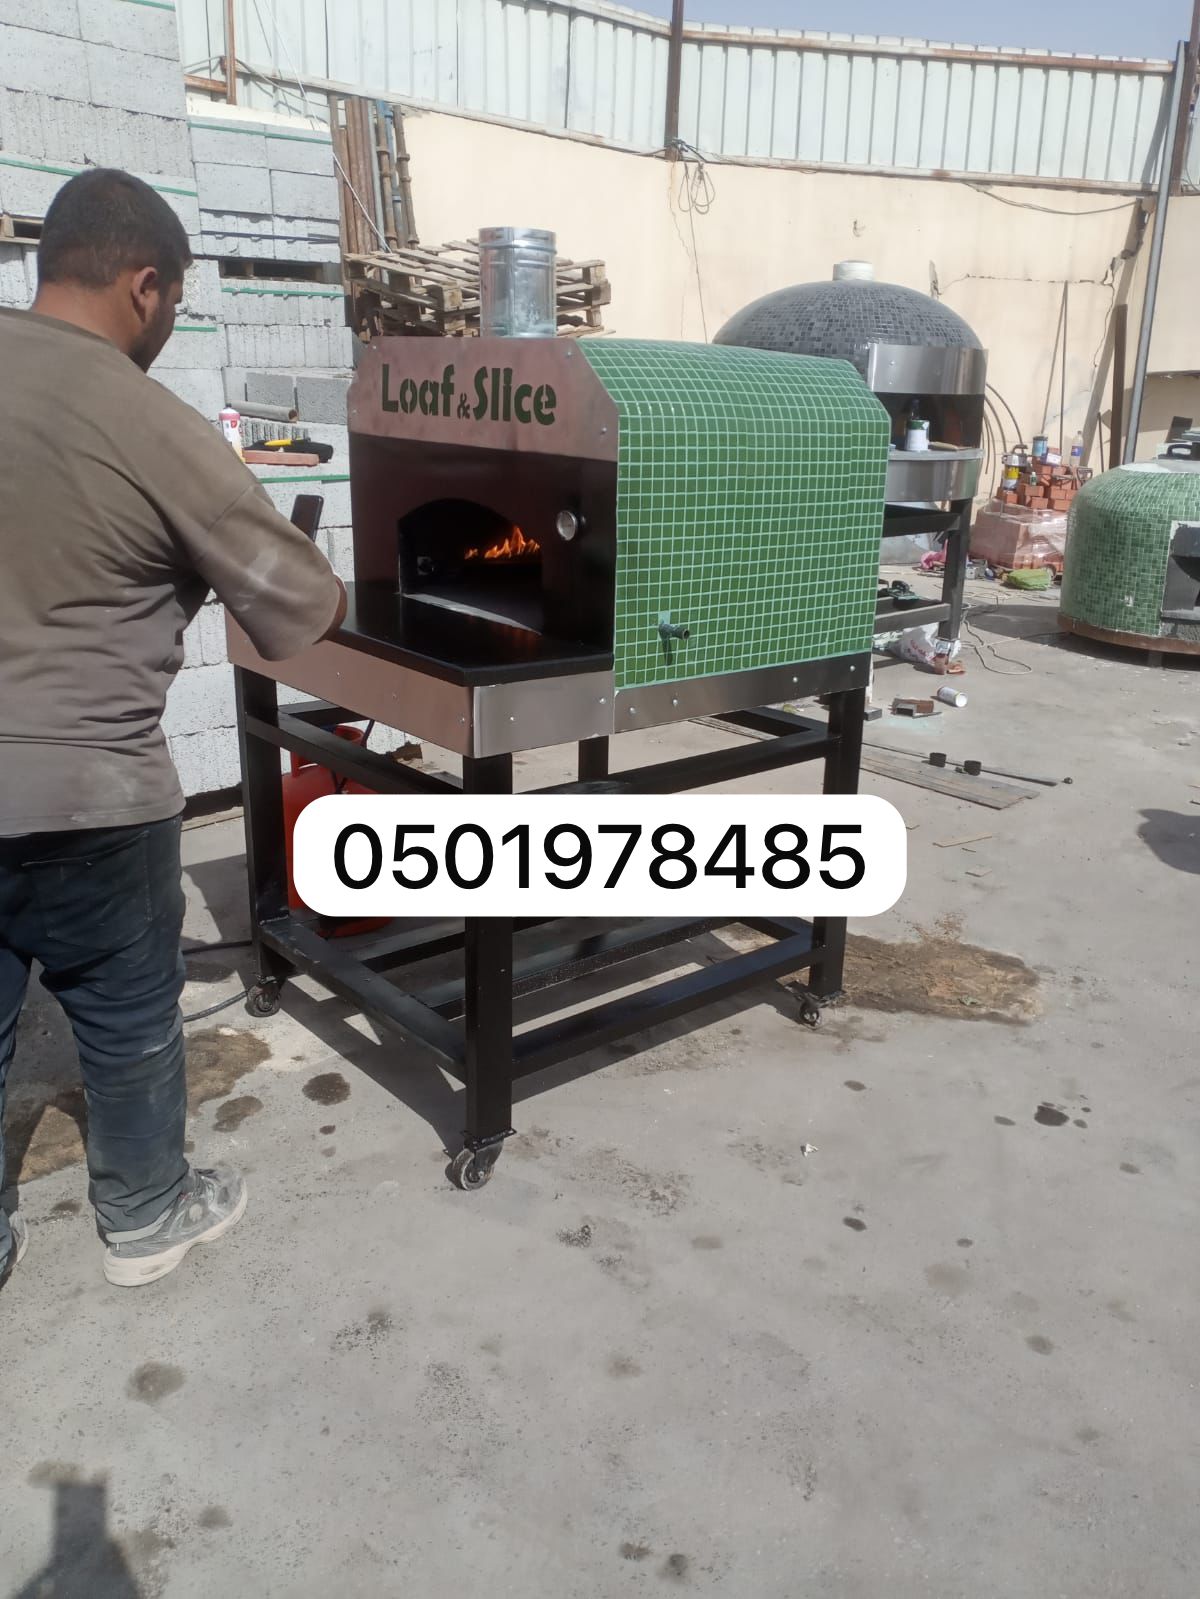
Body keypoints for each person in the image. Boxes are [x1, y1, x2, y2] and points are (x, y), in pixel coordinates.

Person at [0, 169, 346, 1289]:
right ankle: (147, 1213)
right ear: (145, 286)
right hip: (90, 793)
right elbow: (301, 608)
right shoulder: (147, 420)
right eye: (179, 300)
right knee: (124, 1012)